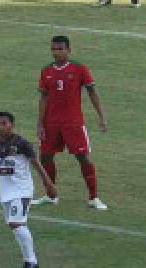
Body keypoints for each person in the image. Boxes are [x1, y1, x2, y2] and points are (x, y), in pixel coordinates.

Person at [0, 111, 57, 268]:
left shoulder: (22, 143)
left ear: (11, 125)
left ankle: (29, 262)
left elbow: (36, 164)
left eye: (4, 123)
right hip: (6, 192)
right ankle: (32, 260)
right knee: (17, 226)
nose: (0, 127)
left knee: (16, 224)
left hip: (22, 190)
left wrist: (48, 184)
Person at [32, 36, 109, 210]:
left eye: (60, 49)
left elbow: (92, 93)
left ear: (68, 50)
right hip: (51, 123)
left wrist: (102, 116)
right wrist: (40, 122)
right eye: (53, 49)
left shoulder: (79, 69)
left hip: (73, 123)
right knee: (45, 157)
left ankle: (93, 197)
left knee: (83, 158)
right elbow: (43, 97)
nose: (56, 53)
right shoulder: (46, 71)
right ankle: (51, 195)